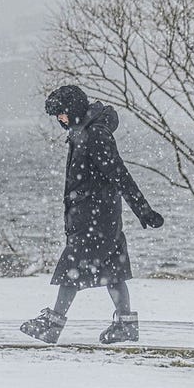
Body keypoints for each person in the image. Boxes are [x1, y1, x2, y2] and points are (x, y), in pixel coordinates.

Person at [21, 85, 164, 345]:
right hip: (99, 215)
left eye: (61, 113)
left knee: (72, 269)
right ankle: (125, 325)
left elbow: (119, 174)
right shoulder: (84, 131)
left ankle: (53, 325)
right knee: (112, 270)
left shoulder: (94, 134)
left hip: (94, 219)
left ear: (73, 110)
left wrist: (142, 210)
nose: (59, 119)